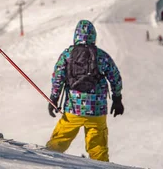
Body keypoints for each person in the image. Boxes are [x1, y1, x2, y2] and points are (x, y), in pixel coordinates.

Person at [46, 20, 123, 162]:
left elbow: (58, 77)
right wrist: (117, 99)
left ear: (76, 35)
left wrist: (54, 98)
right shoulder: (101, 55)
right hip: (97, 110)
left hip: (73, 109)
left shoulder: (68, 54)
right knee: (98, 147)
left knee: (60, 139)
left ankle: (46, 161)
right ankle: (101, 166)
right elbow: (115, 77)